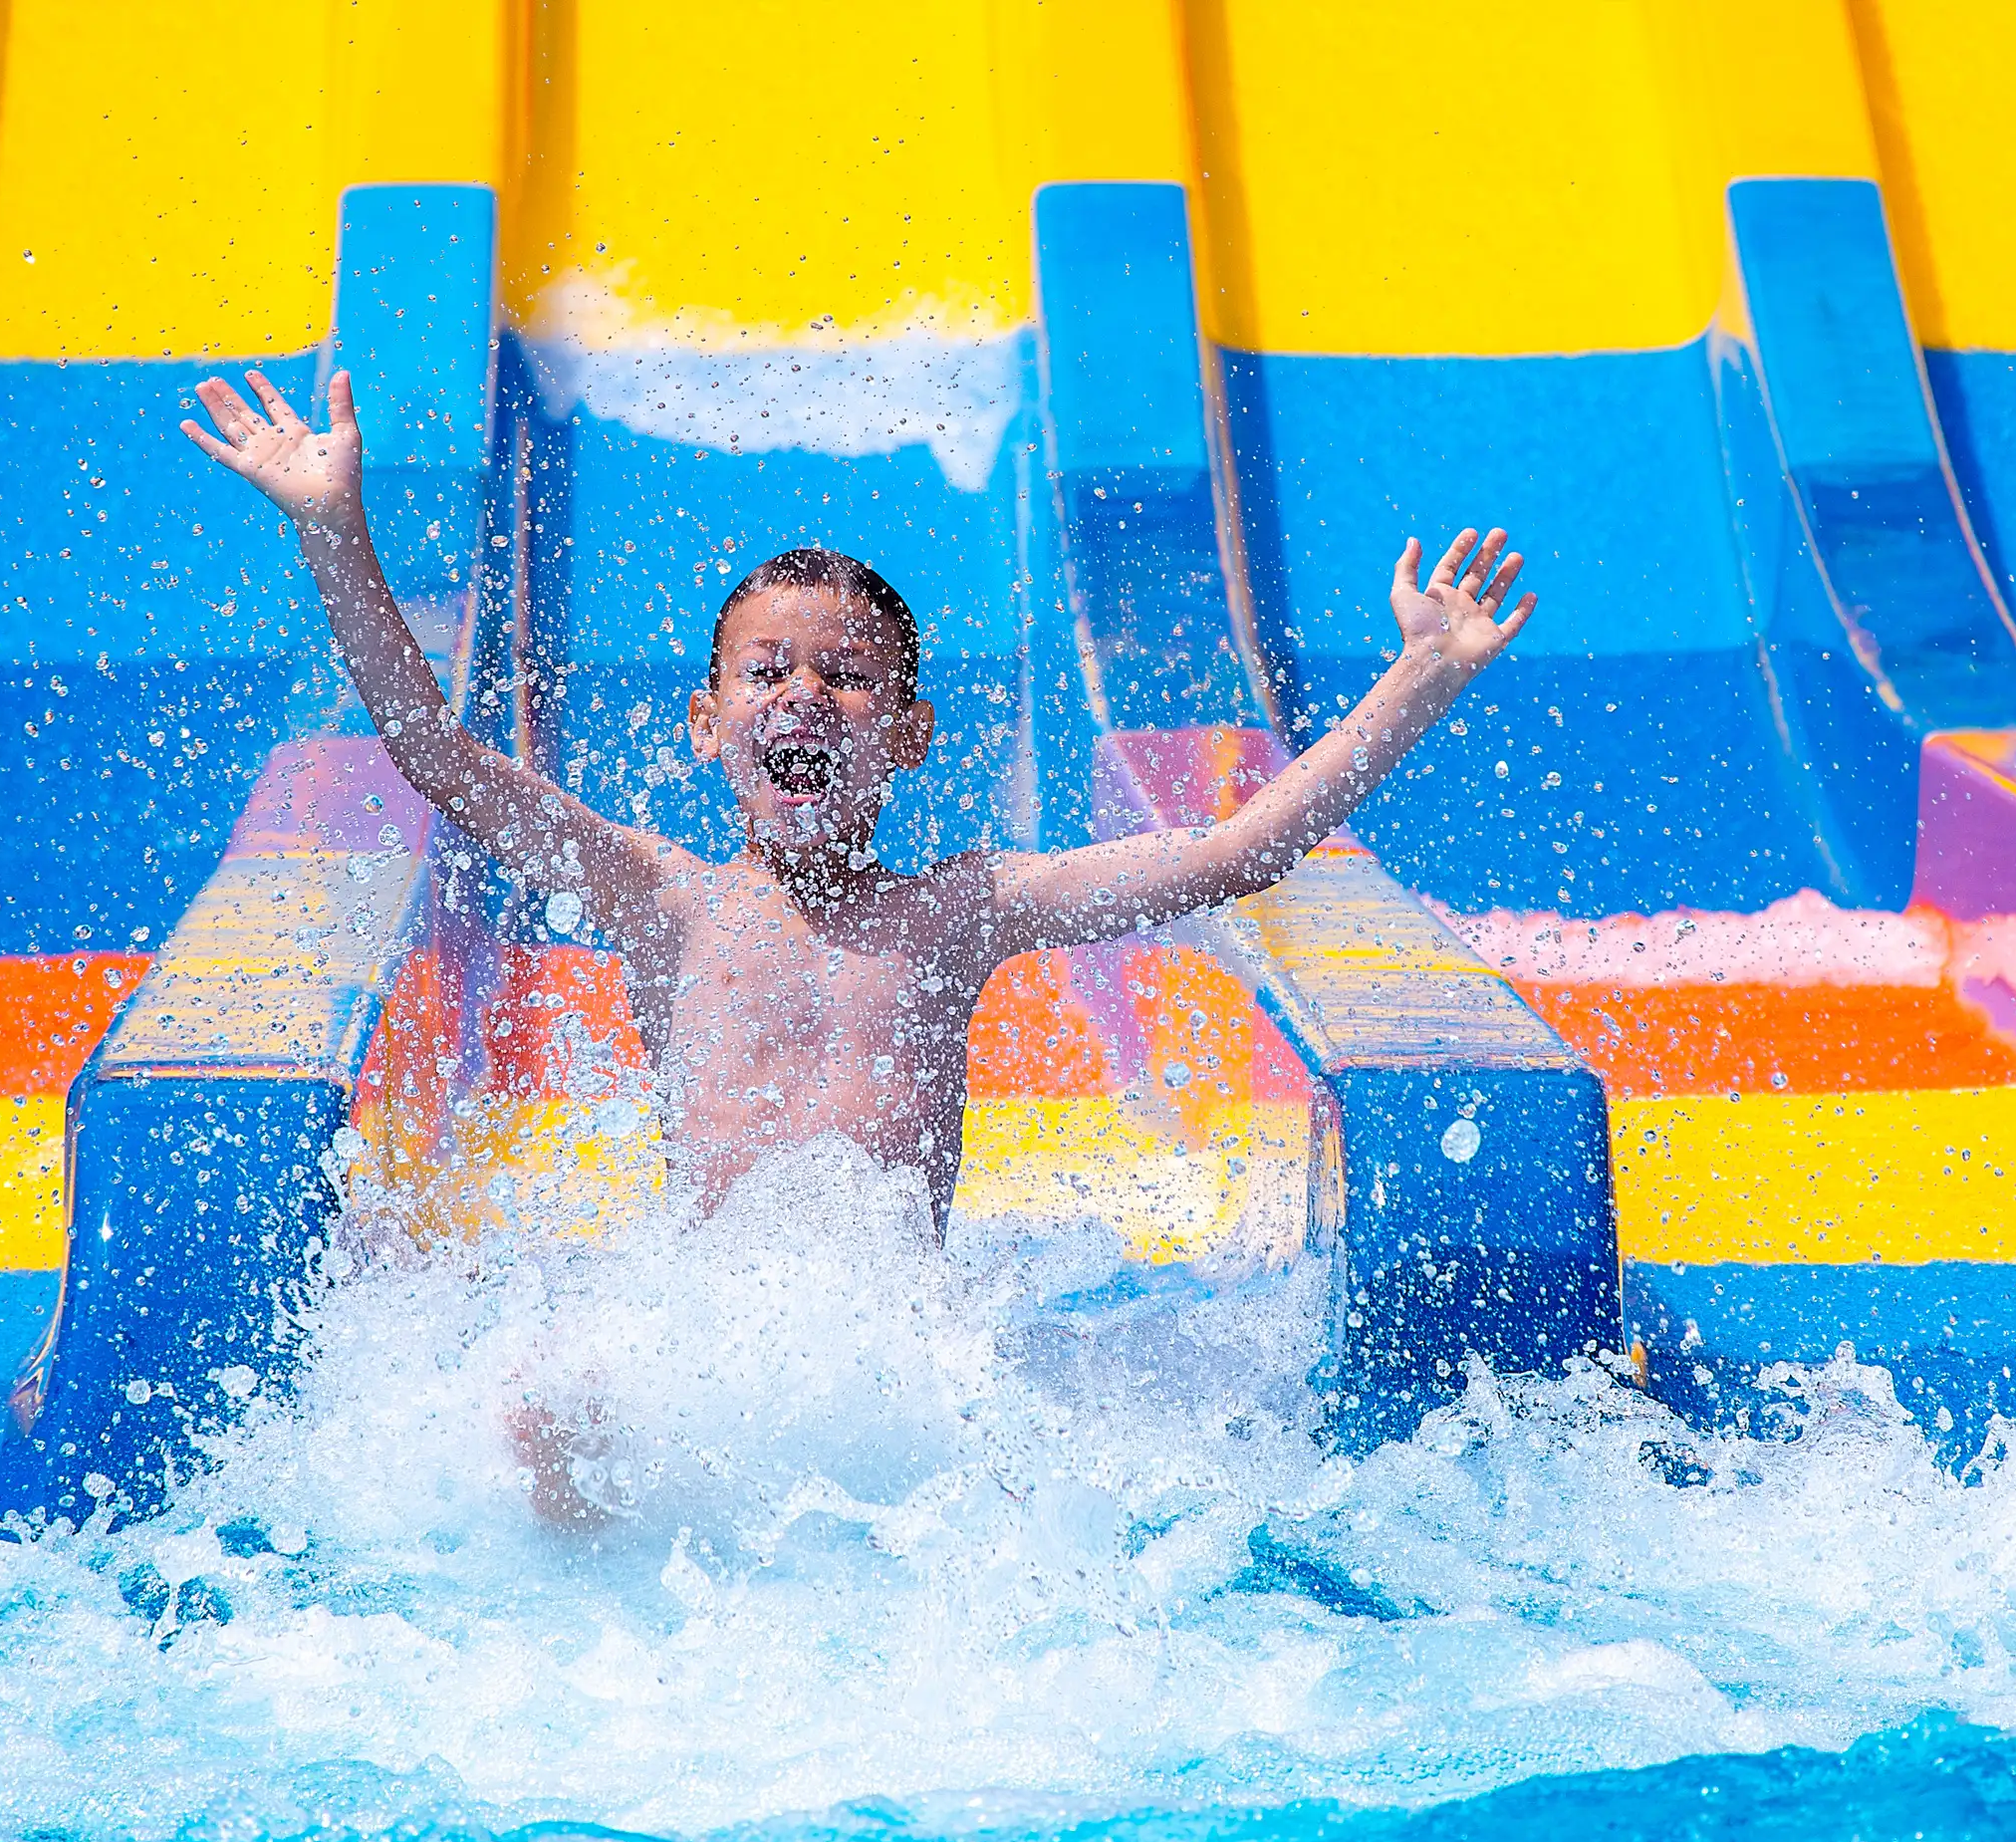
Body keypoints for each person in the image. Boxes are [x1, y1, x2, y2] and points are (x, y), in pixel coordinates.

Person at [182, 369, 1534, 1234]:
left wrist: (1420, 675)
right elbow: (434, 756)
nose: (806, 696)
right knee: (542, 1421)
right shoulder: (662, 902)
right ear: (708, 728)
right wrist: (331, 528)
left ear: (909, 738)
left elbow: (1240, 848)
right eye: (768, 671)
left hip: (892, 1359)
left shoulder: (963, 912)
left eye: (849, 676)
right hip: (717, 1347)